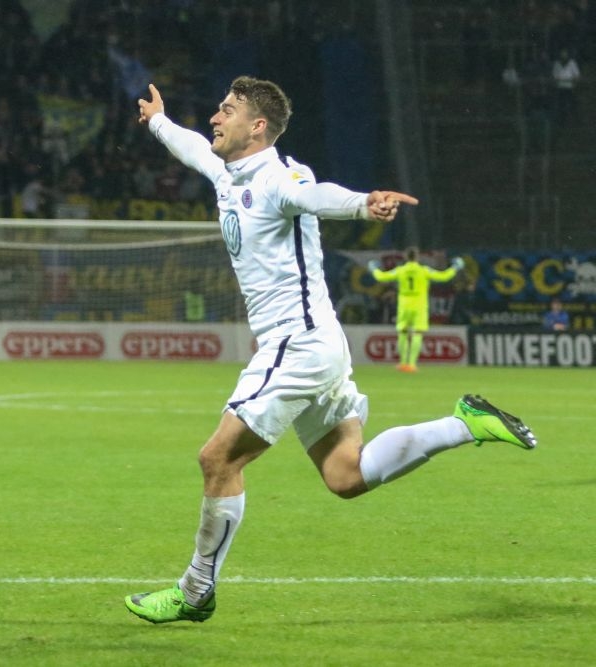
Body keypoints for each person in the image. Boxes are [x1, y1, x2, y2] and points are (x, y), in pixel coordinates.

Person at [124, 77, 537, 625]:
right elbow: (192, 146)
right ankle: (465, 423)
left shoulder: (279, 177)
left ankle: (196, 590)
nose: (216, 118)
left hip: (296, 343)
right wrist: (157, 120)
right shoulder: (228, 172)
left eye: (227, 110)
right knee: (346, 475)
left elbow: (315, 196)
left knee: (217, 459)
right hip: (319, 345)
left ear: (257, 126)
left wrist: (364, 204)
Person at [367, 246, 463, 372]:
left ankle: (402, 363)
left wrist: (373, 268)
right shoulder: (423, 270)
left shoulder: (401, 270)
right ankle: (411, 364)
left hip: (404, 305)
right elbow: (444, 277)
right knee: (417, 333)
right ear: (417, 257)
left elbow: (381, 277)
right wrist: (455, 267)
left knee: (402, 333)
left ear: (406, 257)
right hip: (419, 305)